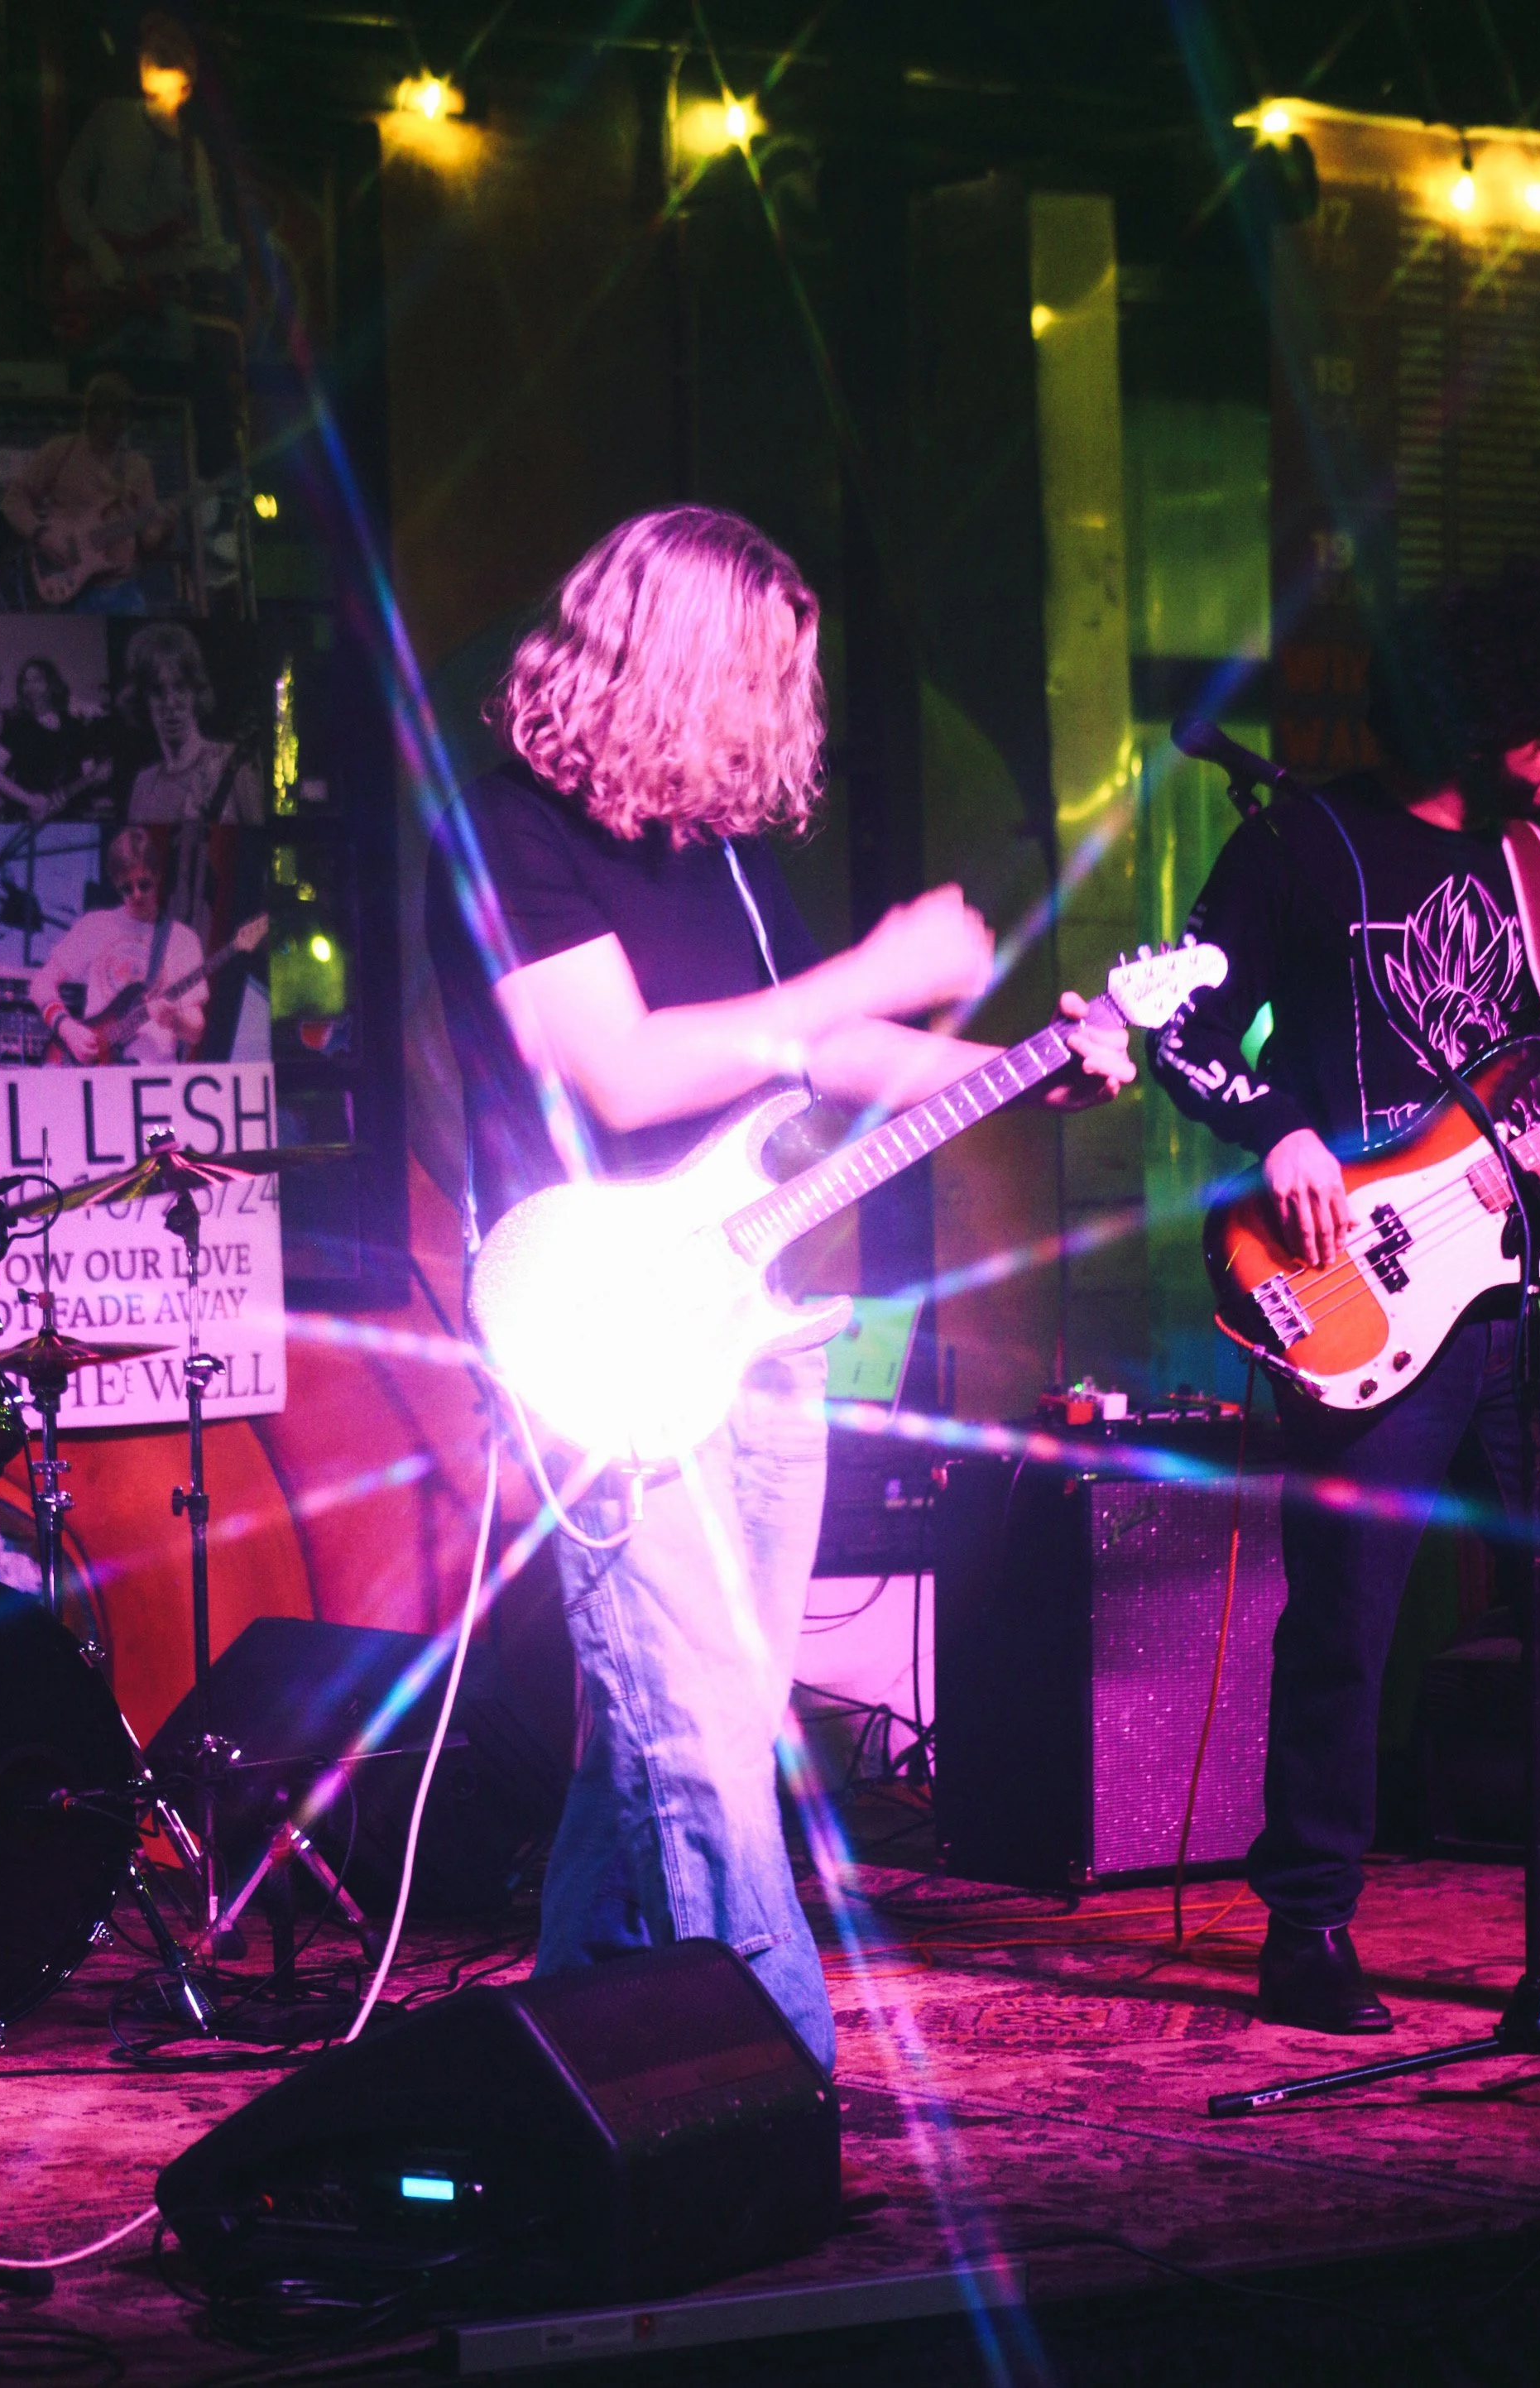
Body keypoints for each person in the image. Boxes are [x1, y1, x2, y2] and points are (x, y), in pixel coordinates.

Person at [425, 506, 1134, 2070]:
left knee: (696, 1732)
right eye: (762, 673)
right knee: (696, 1738)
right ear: (667, 663)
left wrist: (1020, 1072)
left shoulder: (729, 862)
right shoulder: (508, 831)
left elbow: (824, 1058)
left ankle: (576, 2065)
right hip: (594, 1319)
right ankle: (765, 2086)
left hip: (746, 1323)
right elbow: (612, 1071)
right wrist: (862, 975)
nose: (783, 711)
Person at [1149, 559, 1540, 2037]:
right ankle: (1305, 1924)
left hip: (1529, 1285)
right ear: (1472, 709)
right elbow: (1175, 1034)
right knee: (1346, 1610)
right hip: (1354, 1285)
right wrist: (1280, 1130)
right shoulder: (1297, 847)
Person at [54, 9, 239, 365]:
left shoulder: (192, 150)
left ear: (186, 89)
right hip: (98, 298)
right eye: (151, 94)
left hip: (163, 305)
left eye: (168, 95)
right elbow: (68, 189)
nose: (158, 106)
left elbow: (209, 239)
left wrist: (216, 256)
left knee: (167, 391)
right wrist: (96, 246)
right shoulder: (111, 118)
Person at [0, 375, 176, 616]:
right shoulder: (61, 451)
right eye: (112, 414)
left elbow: (148, 541)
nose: (119, 423)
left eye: (125, 415)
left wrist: (167, 528)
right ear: (92, 413)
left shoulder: (138, 466)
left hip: (122, 590)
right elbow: (14, 500)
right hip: (67, 583)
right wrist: (42, 535)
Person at [30, 827, 204, 1067]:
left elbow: (196, 1029)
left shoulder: (183, 939)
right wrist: (67, 1028)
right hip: (99, 1070)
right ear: (116, 884)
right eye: (126, 887)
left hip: (156, 1074)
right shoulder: (95, 926)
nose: (136, 895)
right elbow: (41, 984)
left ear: (158, 876)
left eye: (144, 884)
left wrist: (172, 1019)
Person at [122, 623, 265, 825]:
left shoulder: (233, 764)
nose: (170, 703)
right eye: (158, 691)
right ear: (142, 699)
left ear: (196, 690)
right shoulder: (143, 786)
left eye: (179, 687)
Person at [0, 656, 112, 820]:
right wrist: (31, 801)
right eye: (26, 681)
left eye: (37, 680)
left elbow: (88, 772)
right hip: (32, 818)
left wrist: (99, 776)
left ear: (51, 684)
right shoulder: (18, 727)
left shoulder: (74, 726)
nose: (31, 687)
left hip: (73, 816)